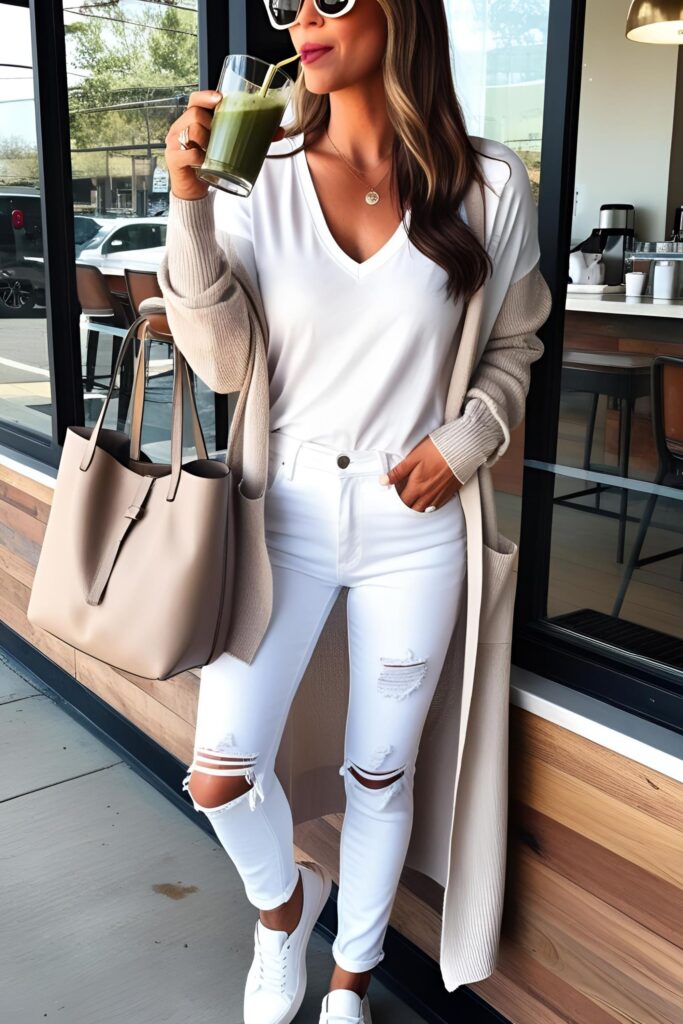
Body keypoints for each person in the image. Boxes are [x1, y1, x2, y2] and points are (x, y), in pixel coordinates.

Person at [158, 2, 552, 1022]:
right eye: (289, 0)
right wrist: (189, 204)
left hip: (413, 526)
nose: (302, 19)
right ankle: (286, 912)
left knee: (381, 772)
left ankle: (348, 980)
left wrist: (467, 440)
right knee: (217, 774)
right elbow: (223, 361)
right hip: (280, 509)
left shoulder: (488, 181)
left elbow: (514, 347)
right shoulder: (263, 173)